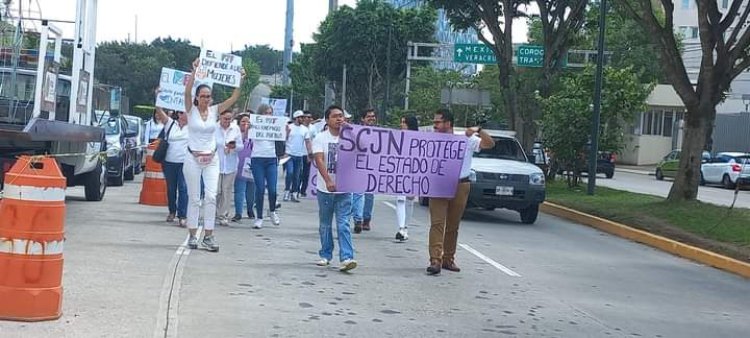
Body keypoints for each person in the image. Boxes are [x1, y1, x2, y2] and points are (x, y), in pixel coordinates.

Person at [182, 57, 246, 252]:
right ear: (197, 97)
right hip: (192, 158)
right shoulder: (190, 110)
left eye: (209, 96)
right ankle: (193, 235)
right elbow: (186, 91)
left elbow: (233, 99)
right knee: (195, 198)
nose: (206, 99)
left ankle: (208, 235)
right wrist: (194, 71)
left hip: (211, 159)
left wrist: (240, 79)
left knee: (211, 196)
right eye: (203, 96)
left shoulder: (215, 111)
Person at [427, 109, 494, 274]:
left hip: (461, 184)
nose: (434, 125)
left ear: (448, 123)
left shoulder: (465, 139)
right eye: (434, 122)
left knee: (453, 225)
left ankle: (448, 259)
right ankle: (435, 259)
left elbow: (489, 144)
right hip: (439, 183)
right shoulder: (430, 139)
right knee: (437, 223)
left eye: (438, 122)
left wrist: (478, 130)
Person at [313, 105, 357, 272]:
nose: (340, 119)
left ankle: (347, 257)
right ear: (327, 120)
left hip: (345, 188)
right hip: (325, 189)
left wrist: (351, 133)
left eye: (342, 116)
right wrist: (328, 180)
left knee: (343, 223)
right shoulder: (320, 138)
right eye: (335, 116)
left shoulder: (349, 138)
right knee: (325, 223)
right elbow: (319, 160)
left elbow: (363, 150)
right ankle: (325, 254)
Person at [154, 105, 189, 227]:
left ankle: (183, 215)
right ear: (179, 114)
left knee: (183, 188)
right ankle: (172, 211)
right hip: (169, 162)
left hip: (185, 163)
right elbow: (159, 111)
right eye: (185, 113)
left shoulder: (193, 127)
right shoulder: (170, 124)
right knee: (171, 188)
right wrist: (158, 98)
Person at [250, 104, 282, 229]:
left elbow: (282, 139)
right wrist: (250, 128)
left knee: (273, 189)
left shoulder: (275, 126)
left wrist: (286, 132)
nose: (268, 115)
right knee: (260, 189)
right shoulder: (255, 125)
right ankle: (259, 217)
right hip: (257, 159)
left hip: (271, 159)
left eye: (270, 113)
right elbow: (248, 136)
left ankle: (272, 211)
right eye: (266, 113)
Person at [215, 110, 243, 226]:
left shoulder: (235, 129)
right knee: (217, 191)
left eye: (229, 119)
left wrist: (233, 147)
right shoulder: (214, 128)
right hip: (216, 164)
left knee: (226, 190)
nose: (227, 121)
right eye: (225, 119)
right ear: (220, 117)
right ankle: (215, 211)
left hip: (230, 164)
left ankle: (223, 215)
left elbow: (241, 146)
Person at [352, 109, 378, 233]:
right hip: (358, 166)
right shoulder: (355, 132)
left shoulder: (380, 134)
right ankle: (358, 219)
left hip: (372, 167)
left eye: (373, 116)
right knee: (357, 193)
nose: (371, 118)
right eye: (368, 117)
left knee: (369, 195)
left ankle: (366, 219)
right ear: (363, 119)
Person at [395, 115, 419, 241]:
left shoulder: (420, 140)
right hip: (400, 171)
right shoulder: (397, 138)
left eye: (404, 122)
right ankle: (401, 228)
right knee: (400, 199)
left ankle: (405, 228)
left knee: (409, 200)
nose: (401, 124)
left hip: (413, 172)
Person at [283, 110, 311, 202]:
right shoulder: (289, 127)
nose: (302, 119)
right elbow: (284, 139)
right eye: (301, 117)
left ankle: (294, 193)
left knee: (297, 175)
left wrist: (309, 153)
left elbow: (307, 142)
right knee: (290, 173)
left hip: (299, 155)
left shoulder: (305, 129)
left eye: (303, 117)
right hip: (289, 154)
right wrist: (286, 133)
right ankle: (286, 191)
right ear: (296, 118)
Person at [233, 113, 256, 222]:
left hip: (253, 165)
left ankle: (250, 209)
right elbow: (239, 143)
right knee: (239, 190)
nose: (245, 124)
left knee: (251, 190)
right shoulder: (236, 132)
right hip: (240, 165)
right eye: (243, 121)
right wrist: (246, 132)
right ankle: (238, 213)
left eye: (248, 122)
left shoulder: (256, 134)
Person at [298, 111, 316, 197]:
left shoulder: (313, 128)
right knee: (299, 173)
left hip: (308, 154)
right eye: (307, 117)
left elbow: (314, 140)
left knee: (306, 173)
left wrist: (311, 153)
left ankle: (303, 190)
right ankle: (296, 189)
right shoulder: (299, 127)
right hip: (299, 153)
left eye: (310, 117)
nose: (309, 119)